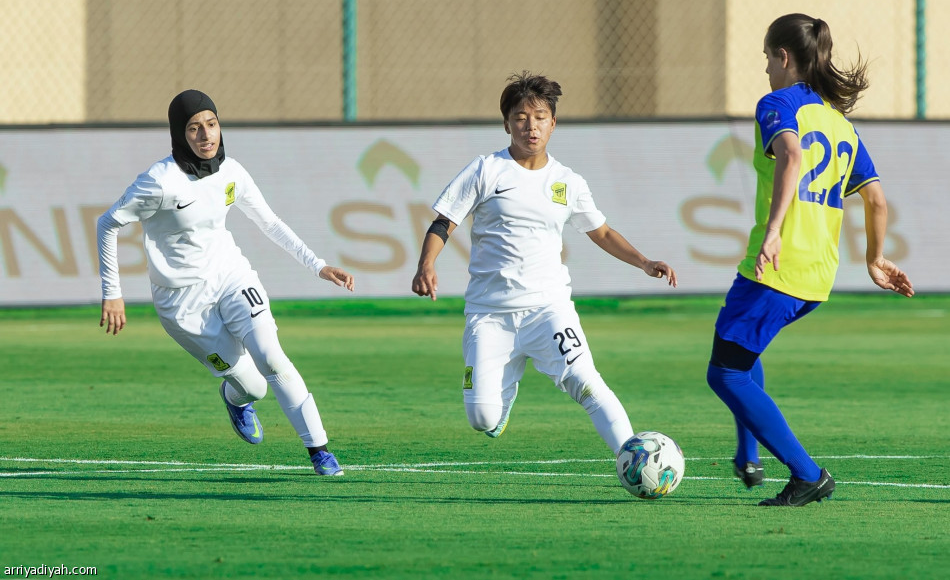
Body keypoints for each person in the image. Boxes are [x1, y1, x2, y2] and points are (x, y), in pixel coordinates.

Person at [411, 71, 677, 458]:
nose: (530, 126)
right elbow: (443, 221)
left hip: (547, 309)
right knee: (482, 419)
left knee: (587, 383)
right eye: (520, 117)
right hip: (490, 313)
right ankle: (506, 387)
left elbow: (600, 232)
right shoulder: (486, 170)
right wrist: (426, 264)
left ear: (553, 123)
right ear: (507, 124)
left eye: (539, 117)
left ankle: (635, 459)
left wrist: (644, 262)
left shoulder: (567, 182)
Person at [706, 14, 914, 506]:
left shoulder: (778, 103)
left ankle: (807, 474)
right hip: (819, 272)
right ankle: (748, 455)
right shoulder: (841, 124)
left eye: (766, 59)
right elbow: (877, 199)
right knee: (738, 351)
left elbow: (793, 156)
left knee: (725, 372)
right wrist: (875, 258)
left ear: (783, 57)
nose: (765, 71)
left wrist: (774, 232)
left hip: (781, 262)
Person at [97, 89, 354, 476]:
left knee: (271, 356)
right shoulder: (159, 182)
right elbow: (107, 223)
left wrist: (317, 265)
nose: (206, 136)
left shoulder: (231, 171)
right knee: (254, 388)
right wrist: (113, 293)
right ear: (179, 134)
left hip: (231, 276)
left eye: (212, 124)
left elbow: (269, 221)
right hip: (181, 303)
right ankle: (235, 399)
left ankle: (319, 450)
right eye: (195, 128)